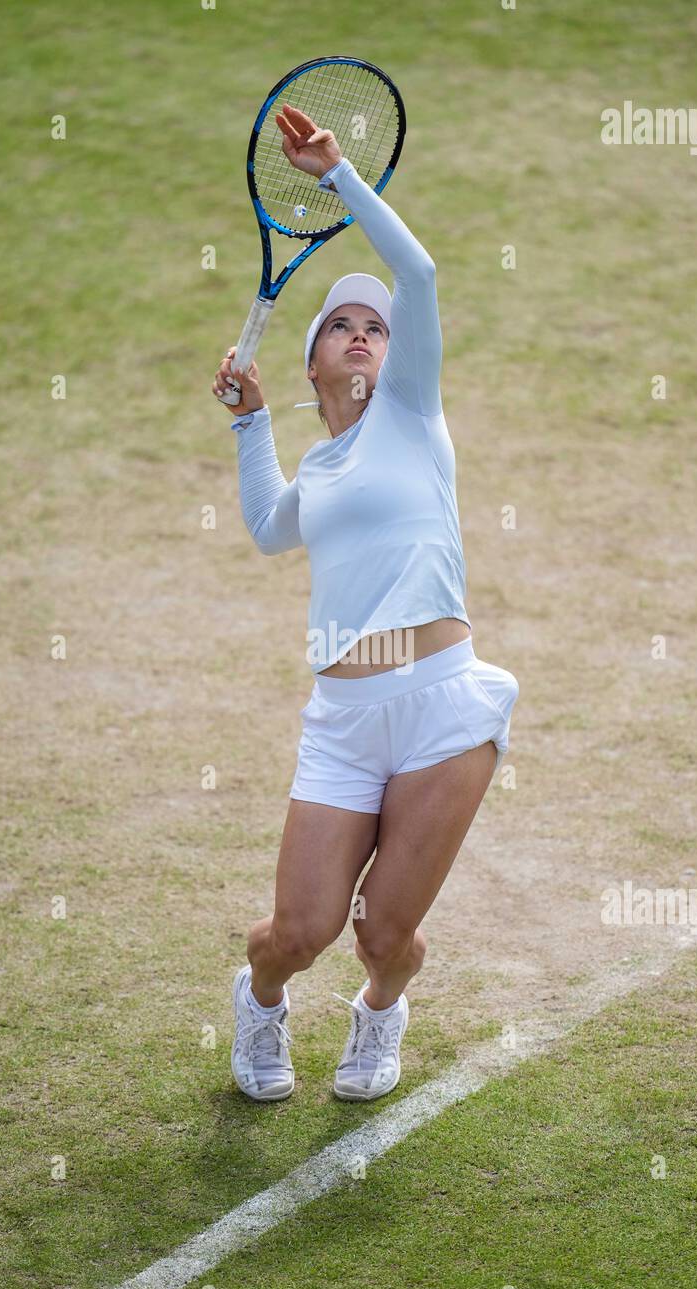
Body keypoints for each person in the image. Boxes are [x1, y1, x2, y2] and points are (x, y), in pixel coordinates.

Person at [214, 102, 518, 1102]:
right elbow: (268, 528)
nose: (359, 332)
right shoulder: (320, 466)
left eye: (372, 326)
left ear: (397, 357)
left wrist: (337, 176)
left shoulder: (412, 413)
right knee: (295, 934)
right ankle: (260, 1004)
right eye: (338, 324)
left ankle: (381, 1009)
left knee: (383, 933)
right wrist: (250, 425)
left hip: (440, 702)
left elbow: (419, 276)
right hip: (342, 717)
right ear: (311, 365)